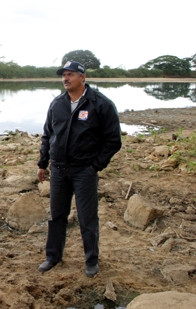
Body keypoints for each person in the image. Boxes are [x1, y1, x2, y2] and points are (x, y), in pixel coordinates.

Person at [36, 61, 122, 277]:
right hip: (58, 170)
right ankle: (52, 257)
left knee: (87, 218)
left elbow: (113, 140)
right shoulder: (57, 104)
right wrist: (42, 163)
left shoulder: (100, 104)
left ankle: (91, 261)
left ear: (83, 77)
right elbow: (47, 135)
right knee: (57, 216)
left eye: (70, 74)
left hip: (84, 170)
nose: (66, 78)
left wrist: (95, 166)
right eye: (63, 75)